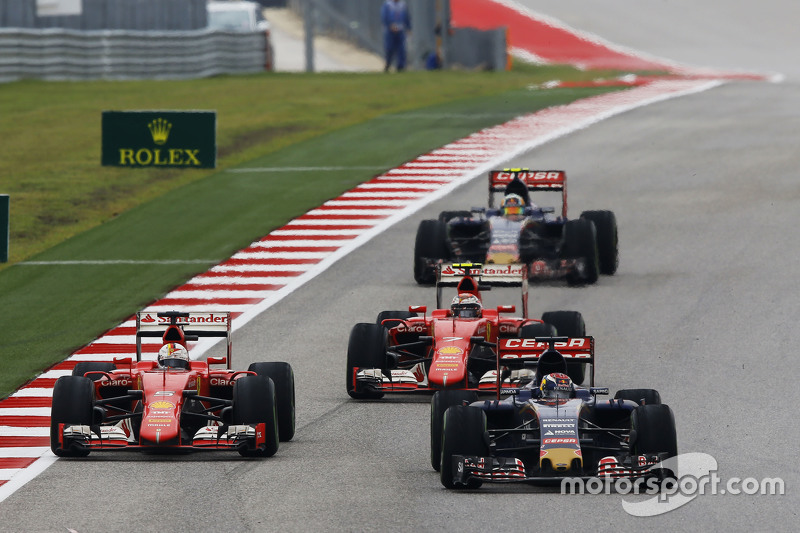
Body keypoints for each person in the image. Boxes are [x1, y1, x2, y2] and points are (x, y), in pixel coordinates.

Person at [381, 0, 411, 72]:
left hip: (400, 30)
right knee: (389, 48)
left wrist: (409, 28)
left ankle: (400, 66)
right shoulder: (388, 4)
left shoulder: (403, 4)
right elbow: (384, 16)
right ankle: (388, 64)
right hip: (390, 30)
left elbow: (407, 17)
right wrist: (390, 25)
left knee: (401, 49)